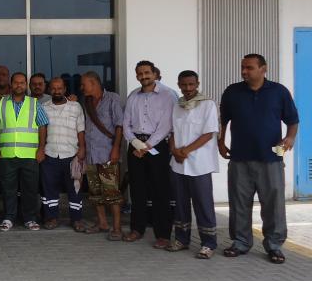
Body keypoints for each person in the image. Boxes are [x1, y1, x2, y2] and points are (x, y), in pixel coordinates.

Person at [219, 54, 299, 264]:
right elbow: (223, 120)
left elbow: (292, 120)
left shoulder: (278, 92)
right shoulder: (232, 91)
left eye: (249, 68)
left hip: (271, 158)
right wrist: (220, 141)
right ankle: (240, 242)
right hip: (239, 158)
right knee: (239, 203)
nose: (244, 71)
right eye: (243, 67)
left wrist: (289, 137)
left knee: (273, 204)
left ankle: (274, 245)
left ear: (264, 69)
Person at [122, 60, 175, 247]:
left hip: (158, 146)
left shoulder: (168, 95)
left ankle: (163, 234)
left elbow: (167, 124)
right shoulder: (133, 96)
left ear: (154, 74)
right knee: (137, 190)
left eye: (147, 73)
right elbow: (126, 123)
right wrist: (137, 145)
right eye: (140, 73)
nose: (143, 76)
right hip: (136, 146)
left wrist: (148, 145)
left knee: (161, 190)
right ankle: (137, 229)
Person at [169, 70, 219, 258]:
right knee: (180, 203)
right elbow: (172, 131)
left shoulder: (208, 105)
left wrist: (185, 151)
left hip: (200, 164)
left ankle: (208, 244)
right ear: (179, 84)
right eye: (184, 85)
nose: (188, 88)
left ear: (197, 83)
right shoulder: (177, 106)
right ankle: (182, 239)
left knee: (203, 204)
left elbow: (209, 133)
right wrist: (175, 151)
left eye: (191, 84)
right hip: (178, 163)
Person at [0, 73, 48, 232]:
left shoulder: (34, 103)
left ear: (26, 85)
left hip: (30, 154)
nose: (19, 85)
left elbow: (42, 125)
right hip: (7, 153)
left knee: (30, 188)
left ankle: (30, 218)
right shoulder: (1, 103)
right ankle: (8, 217)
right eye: (16, 83)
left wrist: (41, 149)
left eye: (22, 83)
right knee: (8, 188)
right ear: (11, 84)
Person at [80, 71, 124, 240]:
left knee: (112, 192)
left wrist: (115, 149)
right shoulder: (87, 102)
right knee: (95, 191)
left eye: (84, 84)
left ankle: (117, 228)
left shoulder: (112, 98)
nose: (82, 87)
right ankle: (102, 223)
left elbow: (119, 126)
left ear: (94, 83)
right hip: (91, 154)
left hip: (107, 153)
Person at [41, 77, 86, 232]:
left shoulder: (75, 106)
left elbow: (81, 129)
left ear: (65, 89)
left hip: (71, 154)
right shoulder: (44, 107)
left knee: (75, 188)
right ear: (49, 90)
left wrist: (82, 149)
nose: (57, 91)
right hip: (50, 154)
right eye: (53, 88)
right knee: (49, 189)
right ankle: (52, 218)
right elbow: (42, 130)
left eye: (59, 88)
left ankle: (77, 219)